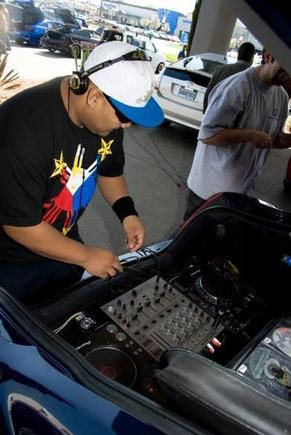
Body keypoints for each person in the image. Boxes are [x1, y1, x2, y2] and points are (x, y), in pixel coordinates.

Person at [0, 41, 164, 301]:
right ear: (94, 97)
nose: (127, 126)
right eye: (124, 117)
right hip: (12, 260)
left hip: (64, 241)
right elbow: (21, 226)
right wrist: (86, 256)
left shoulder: (107, 122)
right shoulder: (21, 131)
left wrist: (127, 214)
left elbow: (109, 170)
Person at [184, 49, 291, 220]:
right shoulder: (238, 87)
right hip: (207, 191)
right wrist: (249, 135)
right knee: (192, 244)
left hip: (240, 194)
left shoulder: (282, 97)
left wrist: (285, 140)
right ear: (268, 56)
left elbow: (272, 140)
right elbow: (208, 135)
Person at [203, 42, 255, 113]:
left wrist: (206, 112)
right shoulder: (254, 76)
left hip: (215, 114)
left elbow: (209, 92)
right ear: (252, 57)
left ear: (238, 54)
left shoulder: (221, 69)